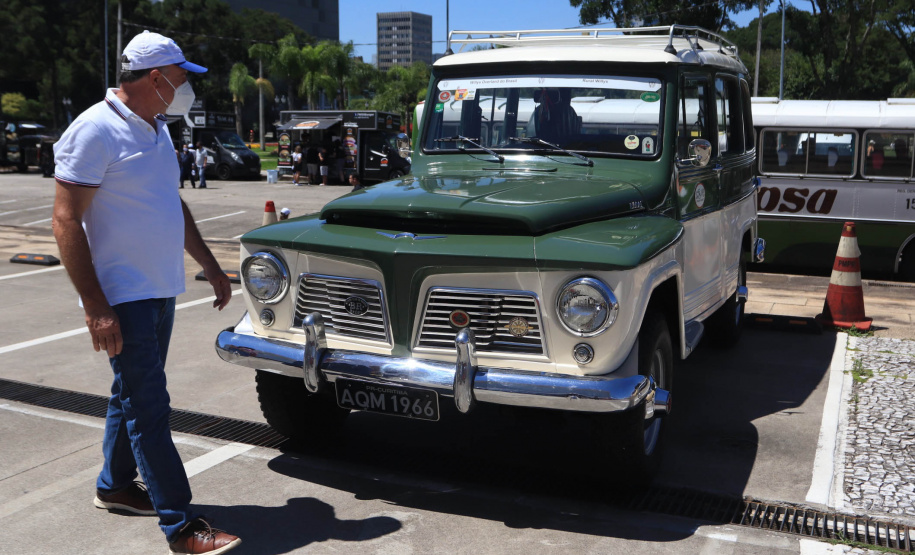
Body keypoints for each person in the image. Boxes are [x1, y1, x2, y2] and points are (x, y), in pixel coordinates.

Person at [51, 31, 240, 555]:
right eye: (182, 78)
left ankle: (114, 486)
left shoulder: (156, 129)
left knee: (130, 394)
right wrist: (95, 306)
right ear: (156, 78)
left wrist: (209, 264)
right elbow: (65, 219)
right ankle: (181, 526)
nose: (187, 89)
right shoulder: (95, 128)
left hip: (159, 288)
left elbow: (169, 203)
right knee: (149, 406)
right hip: (122, 294)